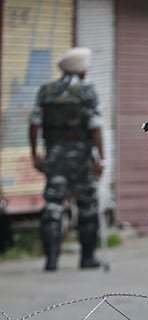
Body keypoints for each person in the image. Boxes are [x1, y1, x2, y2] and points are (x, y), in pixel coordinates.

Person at [29, 47, 104, 271]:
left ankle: (51, 260)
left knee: (53, 207)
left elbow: (34, 124)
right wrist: (101, 159)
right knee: (88, 206)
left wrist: (35, 153)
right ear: (81, 70)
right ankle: (87, 258)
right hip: (82, 159)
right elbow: (96, 128)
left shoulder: (46, 91)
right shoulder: (87, 92)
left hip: (55, 157)